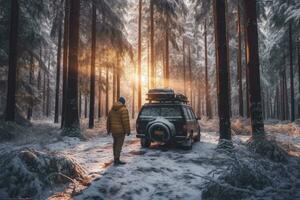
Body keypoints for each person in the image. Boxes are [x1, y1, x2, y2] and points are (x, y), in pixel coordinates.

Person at [107, 96, 131, 165]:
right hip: (120, 132)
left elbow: (108, 121)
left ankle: (115, 158)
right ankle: (117, 160)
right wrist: (128, 131)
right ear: (123, 102)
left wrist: (108, 130)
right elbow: (125, 121)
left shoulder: (112, 109)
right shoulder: (123, 109)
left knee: (115, 144)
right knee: (119, 145)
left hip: (114, 131)